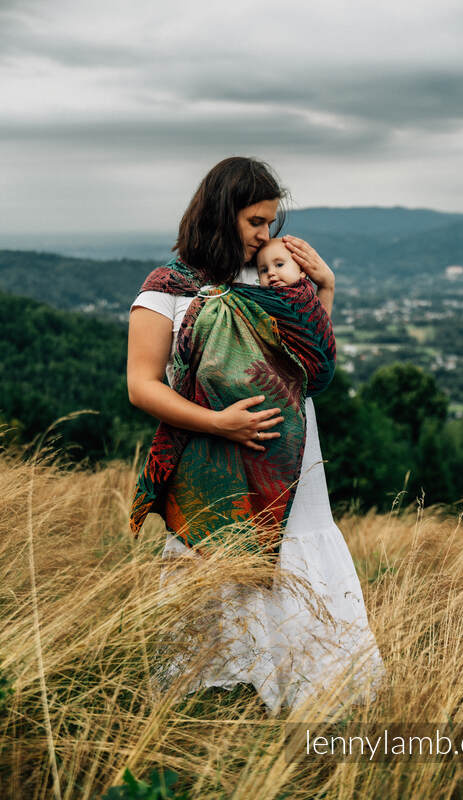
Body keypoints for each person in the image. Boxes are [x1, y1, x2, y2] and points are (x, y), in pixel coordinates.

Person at [127, 156, 386, 714]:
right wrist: (220, 423)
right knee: (221, 572)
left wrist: (325, 289)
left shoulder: (268, 274)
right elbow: (142, 387)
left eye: (270, 222)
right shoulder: (167, 289)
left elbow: (311, 371)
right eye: (255, 222)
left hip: (293, 466)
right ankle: (222, 706)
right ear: (221, 215)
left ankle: (311, 706)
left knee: (299, 566)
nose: (267, 236)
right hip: (214, 464)